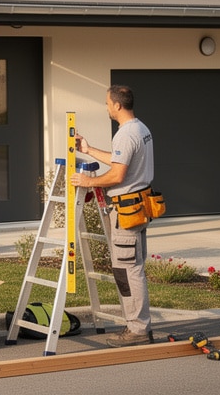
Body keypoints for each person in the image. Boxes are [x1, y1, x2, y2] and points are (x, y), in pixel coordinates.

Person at [68, 84, 156, 347]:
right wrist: (89, 149)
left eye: (107, 103)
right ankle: (137, 326)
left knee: (129, 271)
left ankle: (138, 330)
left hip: (127, 211)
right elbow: (120, 162)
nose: (106, 107)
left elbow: (117, 175)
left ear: (117, 105)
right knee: (130, 269)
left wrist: (87, 181)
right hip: (136, 208)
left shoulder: (126, 135)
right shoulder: (140, 129)